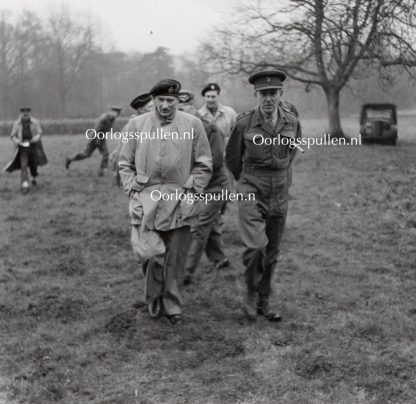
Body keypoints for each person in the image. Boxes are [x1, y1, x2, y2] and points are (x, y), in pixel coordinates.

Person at [118, 79, 212, 325]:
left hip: (180, 198)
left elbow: (203, 162)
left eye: (170, 100)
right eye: (161, 100)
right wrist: (132, 190)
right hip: (146, 199)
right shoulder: (136, 125)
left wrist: (192, 191)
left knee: (175, 258)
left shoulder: (192, 124)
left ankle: (172, 305)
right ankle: (154, 295)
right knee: (150, 254)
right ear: (154, 101)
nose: (165, 105)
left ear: (178, 101)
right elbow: (124, 163)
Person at [225, 69, 302, 322]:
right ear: (255, 94)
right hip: (251, 186)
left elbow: (292, 152)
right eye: (263, 94)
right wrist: (247, 182)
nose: (268, 99)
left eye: (273, 93)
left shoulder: (291, 121)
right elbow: (233, 159)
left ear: (281, 94)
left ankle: (264, 300)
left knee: (273, 250)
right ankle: (249, 292)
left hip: (279, 189)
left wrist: (278, 174)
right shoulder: (244, 123)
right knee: (256, 246)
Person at [177, 90, 229, 286]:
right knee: (211, 224)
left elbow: (214, 162)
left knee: (198, 226)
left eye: (186, 108)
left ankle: (185, 274)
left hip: (214, 186)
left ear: (193, 107)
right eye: (179, 109)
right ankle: (220, 259)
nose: (182, 112)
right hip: (198, 186)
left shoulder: (210, 129)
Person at [199, 82, 237, 193]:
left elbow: (237, 134)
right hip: (208, 161)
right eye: (207, 96)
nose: (210, 99)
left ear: (218, 96)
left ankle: (228, 209)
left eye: (213, 96)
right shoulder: (199, 115)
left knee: (228, 190)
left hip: (227, 159)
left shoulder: (229, 113)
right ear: (204, 97)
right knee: (209, 191)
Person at [110, 94, 153, 186]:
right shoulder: (132, 127)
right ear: (141, 110)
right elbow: (119, 154)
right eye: (150, 107)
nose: (155, 109)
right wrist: (119, 178)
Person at [65, 106, 122, 176]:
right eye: (116, 113)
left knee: (103, 154)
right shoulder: (104, 118)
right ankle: (70, 159)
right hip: (95, 137)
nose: (117, 115)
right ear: (112, 112)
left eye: (118, 114)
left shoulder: (112, 119)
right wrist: (97, 140)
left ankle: (101, 171)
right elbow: (97, 129)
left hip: (101, 137)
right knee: (87, 154)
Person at [4, 107, 47, 194]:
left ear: (29, 113)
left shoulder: (35, 122)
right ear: (21, 113)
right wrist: (17, 141)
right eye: (23, 111)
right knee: (24, 165)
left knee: (33, 165)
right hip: (22, 148)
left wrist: (34, 139)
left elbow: (40, 133)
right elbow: (12, 135)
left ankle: (33, 177)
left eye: (27, 111)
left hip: (33, 147)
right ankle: (25, 184)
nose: (25, 113)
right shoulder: (17, 124)